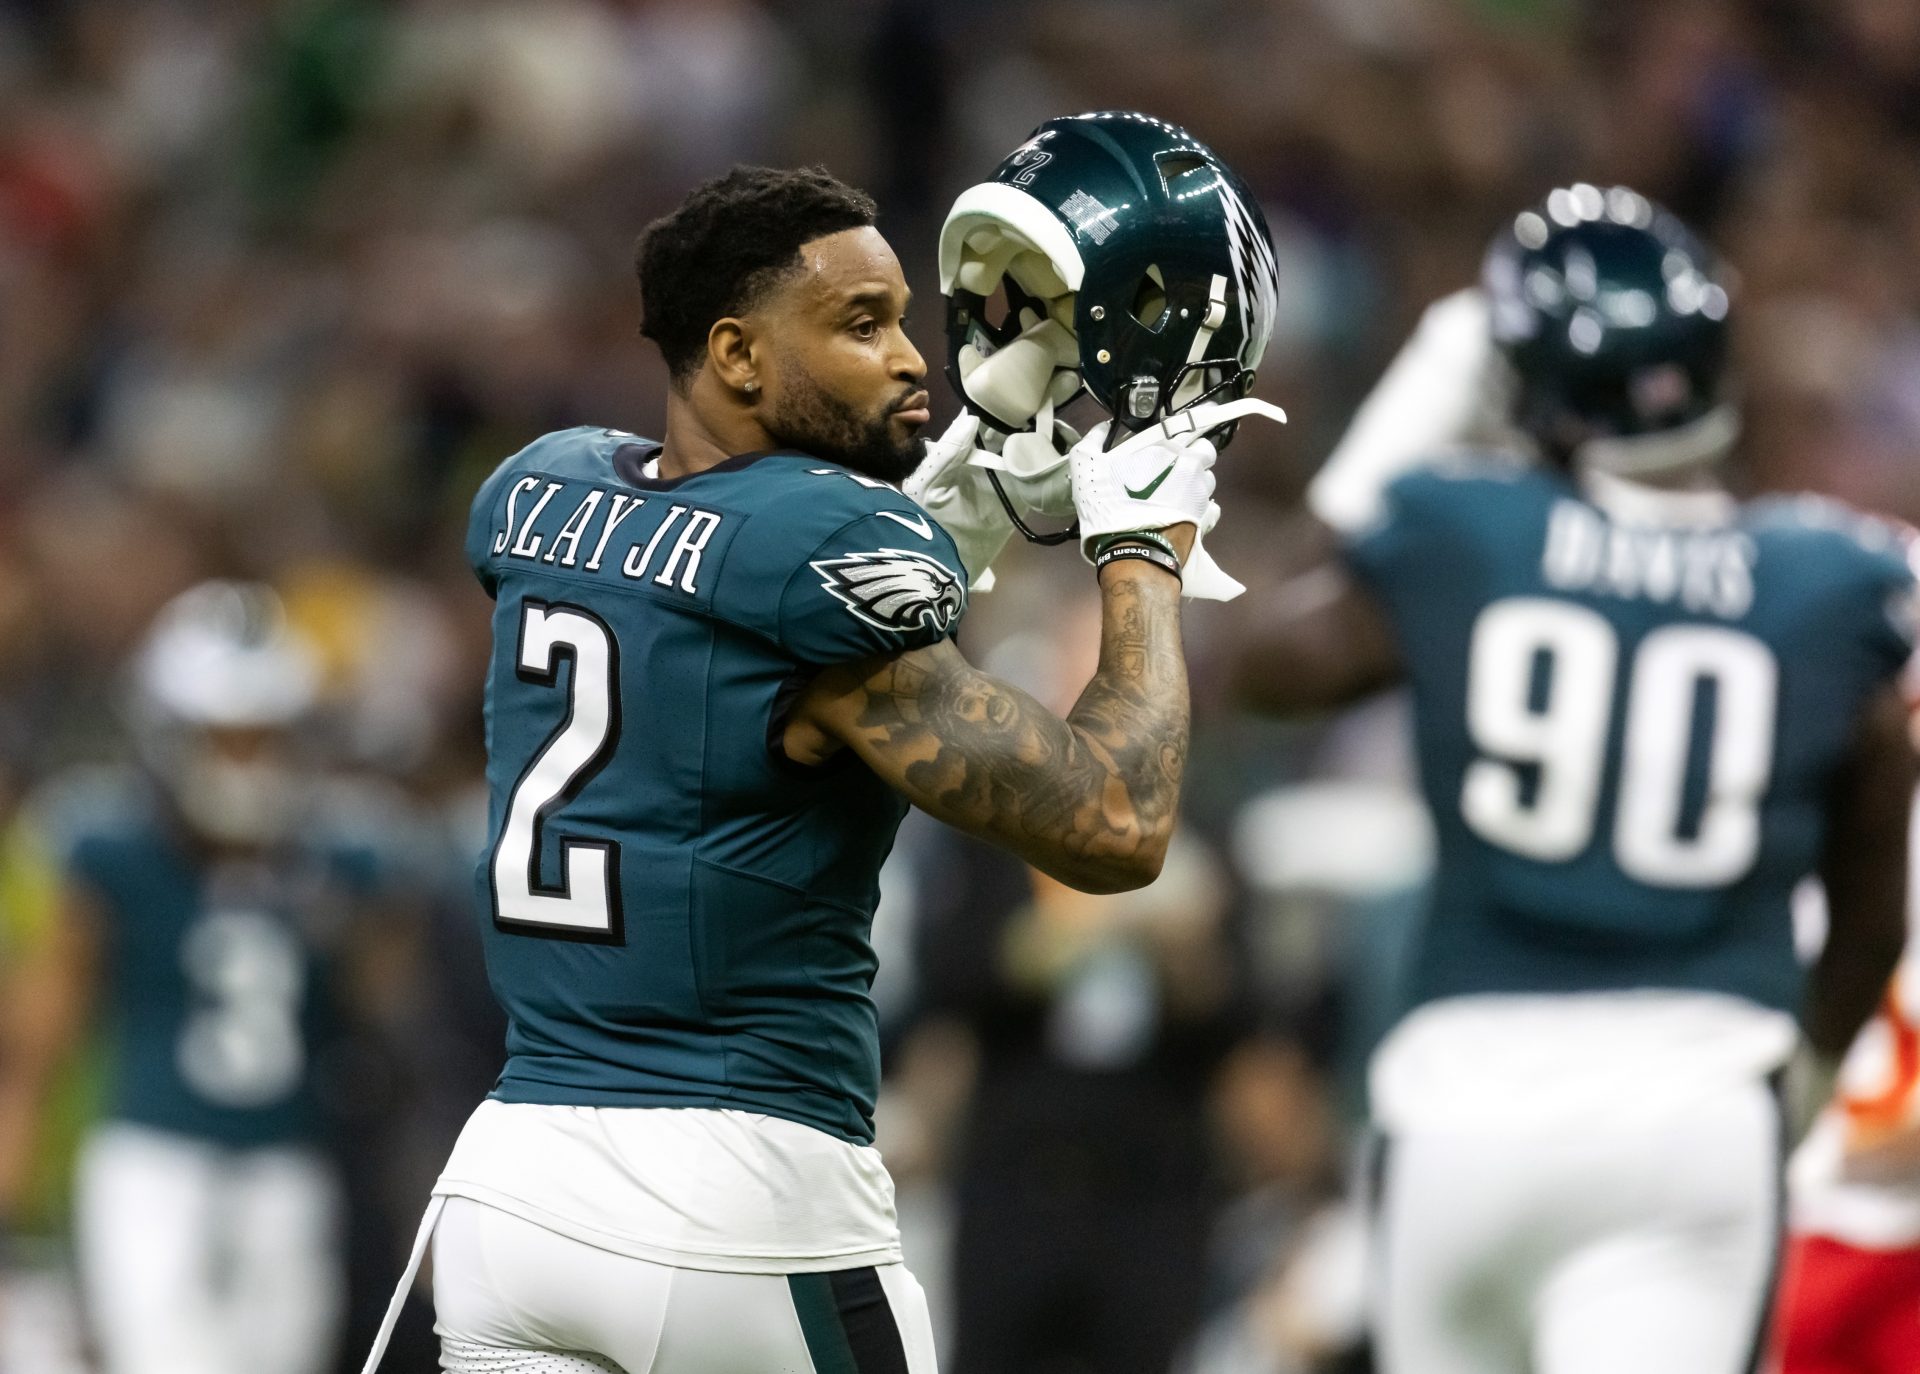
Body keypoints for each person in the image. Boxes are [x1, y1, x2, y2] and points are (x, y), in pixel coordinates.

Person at [375, 140, 1282, 1374]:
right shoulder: (822, 551)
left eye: (905, 318)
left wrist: (957, 514)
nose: (915, 358)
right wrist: (1144, 555)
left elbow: (727, 630)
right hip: (736, 1195)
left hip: (514, 1192)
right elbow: (1116, 824)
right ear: (738, 353)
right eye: (862, 324)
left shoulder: (547, 492)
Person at [1232, 184, 1915, 1374]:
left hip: (1466, 1103)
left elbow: (1265, 656)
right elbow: (1869, 907)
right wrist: (1790, 1092)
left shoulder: (1470, 534)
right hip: (1696, 1102)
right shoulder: (1831, 579)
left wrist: (1418, 403)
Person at [0, 580, 421, 1374]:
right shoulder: (109, 848)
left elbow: (397, 1034)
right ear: (168, 731)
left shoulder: (345, 852)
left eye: (263, 736)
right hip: (152, 1160)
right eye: (224, 736)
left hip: (291, 1166)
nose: (246, 761)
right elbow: (37, 1046)